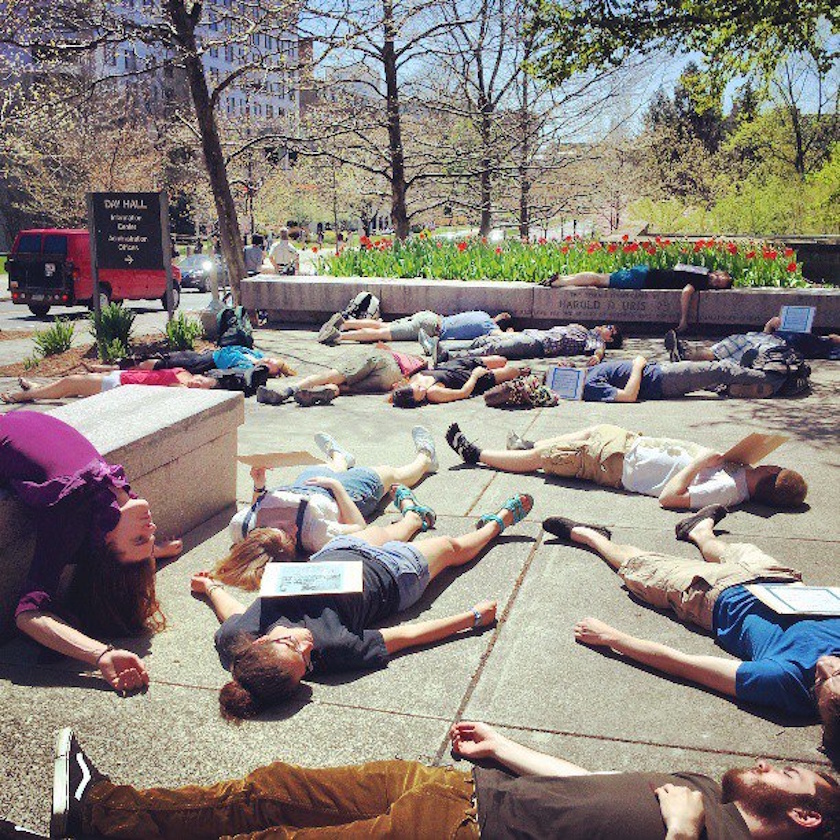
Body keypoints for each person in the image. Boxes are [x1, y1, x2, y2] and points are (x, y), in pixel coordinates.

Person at [50, 723, 840, 839]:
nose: (773, 762)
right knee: (273, 784)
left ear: (806, 820)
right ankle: (103, 810)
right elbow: (595, 774)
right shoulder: (706, 781)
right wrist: (507, 746)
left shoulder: (711, 831)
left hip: (462, 835)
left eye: (792, 774)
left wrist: (680, 831)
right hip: (453, 787)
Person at [193, 493, 533, 718]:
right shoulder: (334, 651)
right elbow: (407, 635)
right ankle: (496, 524)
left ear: (262, 641)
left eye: (296, 646)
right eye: (307, 663)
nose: (308, 647)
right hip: (393, 576)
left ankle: (415, 516)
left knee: (390, 529)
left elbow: (233, 612)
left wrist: (210, 588)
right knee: (450, 546)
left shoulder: (236, 638)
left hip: (336, 555)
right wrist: (472, 617)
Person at [544, 505, 840, 753]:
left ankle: (591, 537)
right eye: (838, 671)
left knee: (638, 565)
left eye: (820, 680)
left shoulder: (781, 682)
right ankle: (699, 531)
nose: (825, 665)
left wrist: (613, 637)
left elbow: (683, 664)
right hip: (779, 579)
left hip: (714, 592)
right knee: (725, 549)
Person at [0, 412, 181, 696]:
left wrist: (100, 655)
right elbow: (117, 558)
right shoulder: (111, 504)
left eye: (139, 538)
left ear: (105, 541)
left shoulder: (70, 514)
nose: (152, 526)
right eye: (150, 538)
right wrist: (153, 551)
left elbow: (27, 615)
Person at [214, 428, 439, 588]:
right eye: (287, 531)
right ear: (294, 542)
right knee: (389, 473)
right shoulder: (317, 535)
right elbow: (358, 526)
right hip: (344, 495)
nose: (283, 522)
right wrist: (336, 487)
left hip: (302, 487)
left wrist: (259, 485)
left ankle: (340, 457)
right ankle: (426, 458)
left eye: (272, 524)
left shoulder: (240, 526)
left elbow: (257, 506)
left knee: (324, 467)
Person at [444, 423, 807, 510]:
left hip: (614, 465)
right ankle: (529, 446)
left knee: (546, 461)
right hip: (628, 444)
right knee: (583, 434)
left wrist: (699, 461)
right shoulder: (741, 471)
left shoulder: (729, 492)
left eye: (773, 467)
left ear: (771, 477)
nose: (770, 462)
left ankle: (478, 455)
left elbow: (670, 499)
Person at [255, 344, 528, 408]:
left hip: (390, 365)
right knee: (348, 386)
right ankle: (324, 392)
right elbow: (499, 364)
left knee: (337, 374)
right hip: (390, 379)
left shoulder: (423, 384)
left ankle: (290, 390)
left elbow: (463, 392)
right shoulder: (414, 385)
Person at [541, 263, 733, 332]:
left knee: (601, 279)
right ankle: (561, 283)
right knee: (601, 280)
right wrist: (684, 320)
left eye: (718, 284)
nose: (715, 281)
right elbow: (686, 293)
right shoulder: (701, 279)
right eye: (717, 278)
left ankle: (563, 279)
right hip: (642, 279)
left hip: (644, 274)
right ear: (716, 273)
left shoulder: (700, 271)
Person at [426, 322, 623, 366]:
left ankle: (449, 357)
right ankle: (446, 348)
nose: (605, 326)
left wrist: (597, 357)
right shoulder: (583, 329)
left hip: (540, 344)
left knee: (494, 349)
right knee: (487, 340)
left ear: (610, 338)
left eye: (610, 328)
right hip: (534, 334)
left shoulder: (595, 340)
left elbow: (598, 350)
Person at [666, 315, 840, 364]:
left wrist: (832, 339)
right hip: (761, 336)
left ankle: (746, 366)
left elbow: (832, 340)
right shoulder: (784, 327)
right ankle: (684, 353)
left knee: (756, 353)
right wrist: (772, 324)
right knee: (729, 344)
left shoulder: (817, 341)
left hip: (779, 346)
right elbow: (767, 329)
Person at [1, 367, 218, 404]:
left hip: (117, 385)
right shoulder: (183, 372)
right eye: (200, 381)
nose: (196, 384)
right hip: (121, 375)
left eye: (200, 388)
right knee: (72, 383)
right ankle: (37, 387)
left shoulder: (180, 391)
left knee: (71, 383)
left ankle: (23, 397)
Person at [317, 308, 512, 346]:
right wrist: (509, 333)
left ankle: (345, 322)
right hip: (430, 329)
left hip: (429, 316)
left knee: (383, 324)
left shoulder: (483, 314)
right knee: (383, 334)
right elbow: (501, 338)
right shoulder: (488, 327)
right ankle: (338, 337)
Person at [90, 346, 296, 378]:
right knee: (162, 356)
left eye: (271, 364)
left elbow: (236, 371)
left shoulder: (249, 368)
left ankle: (109, 370)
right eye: (271, 358)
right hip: (201, 355)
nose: (268, 360)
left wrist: (259, 368)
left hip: (202, 364)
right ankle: (114, 366)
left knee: (159, 364)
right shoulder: (253, 354)